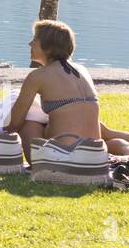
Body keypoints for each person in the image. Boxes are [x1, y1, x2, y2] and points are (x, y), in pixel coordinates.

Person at [6, 19, 100, 162]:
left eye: (34, 40)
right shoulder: (82, 70)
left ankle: (39, 162)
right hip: (94, 156)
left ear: (48, 47)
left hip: (63, 157)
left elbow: (14, 124)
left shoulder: (38, 76)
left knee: (28, 123)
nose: (30, 44)